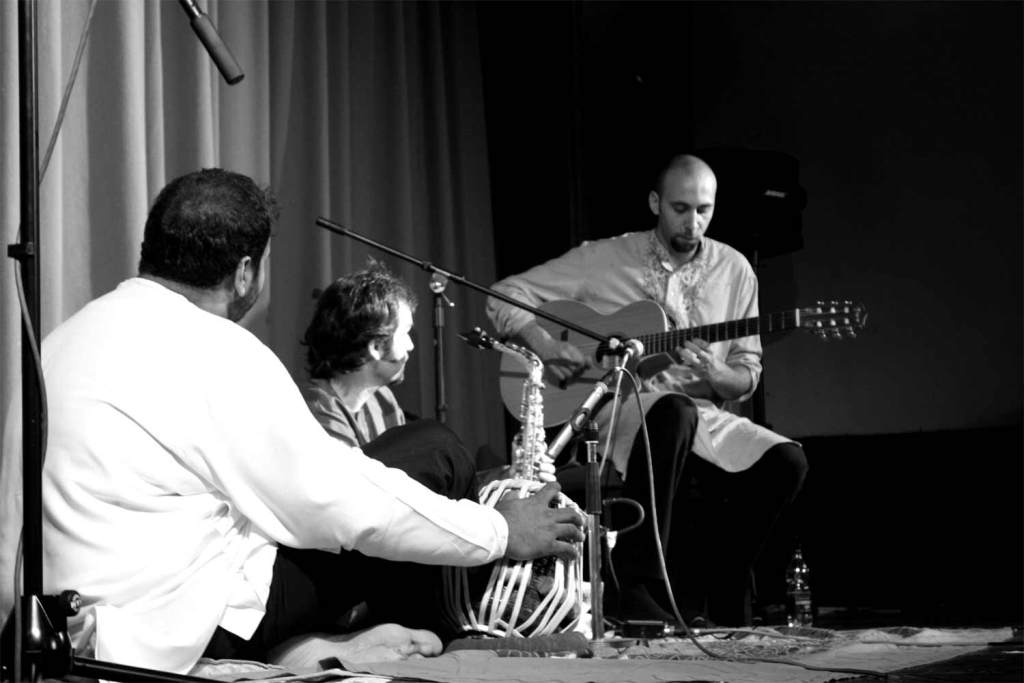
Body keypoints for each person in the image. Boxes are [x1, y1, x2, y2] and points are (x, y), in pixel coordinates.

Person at [3, 168, 582, 674]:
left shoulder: (63, 336)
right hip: (160, 628)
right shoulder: (213, 346)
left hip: (57, 621)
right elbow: (341, 502)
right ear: (246, 271)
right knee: (431, 448)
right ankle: (418, 645)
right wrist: (499, 532)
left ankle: (363, 635)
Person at [485, 153, 808, 627]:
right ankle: (633, 584)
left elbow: (746, 373)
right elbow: (502, 294)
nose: (693, 222)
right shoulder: (603, 258)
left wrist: (718, 374)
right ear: (655, 202)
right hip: (617, 408)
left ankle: (726, 591)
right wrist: (546, 344)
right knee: (672, 411)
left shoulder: (735, 270)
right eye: (680, 208)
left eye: (704, 210)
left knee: (788, 461)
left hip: (701, 416)